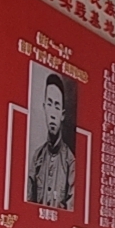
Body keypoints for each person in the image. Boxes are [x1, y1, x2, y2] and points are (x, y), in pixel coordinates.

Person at [28, 73, 75, 210]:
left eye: (57, 106)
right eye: (49, 104)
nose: (53, 114)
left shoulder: (70, 162)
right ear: (44, 107)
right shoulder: (37, 158)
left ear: (62, 115)